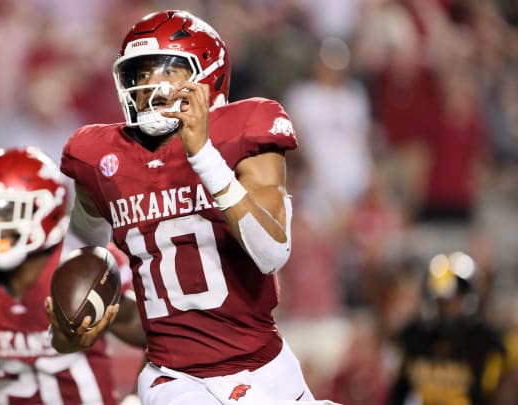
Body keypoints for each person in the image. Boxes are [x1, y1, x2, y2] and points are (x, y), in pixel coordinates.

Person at [46, 9, 325, 405]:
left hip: (267, 369)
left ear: (207, 77)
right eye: (139, 74)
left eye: (165, 71)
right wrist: (74, 308)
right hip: (174, 377)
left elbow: (271, 253)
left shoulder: (244, 130)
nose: (149, 86)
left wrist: (204, 156)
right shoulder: (102, 159)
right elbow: (83, 241)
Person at [0, 147, 145, 405]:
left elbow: (158, 338)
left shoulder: (82, 273)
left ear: (45, 211)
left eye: (7, 213)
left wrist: (138, 399)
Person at [390, 251, 508, 405]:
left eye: (453, 302)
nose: (446, 310)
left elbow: (491, 395)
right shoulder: (414, 338)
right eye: (441, 302)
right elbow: (400, 391)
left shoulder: (485, 342)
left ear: (467, 300)